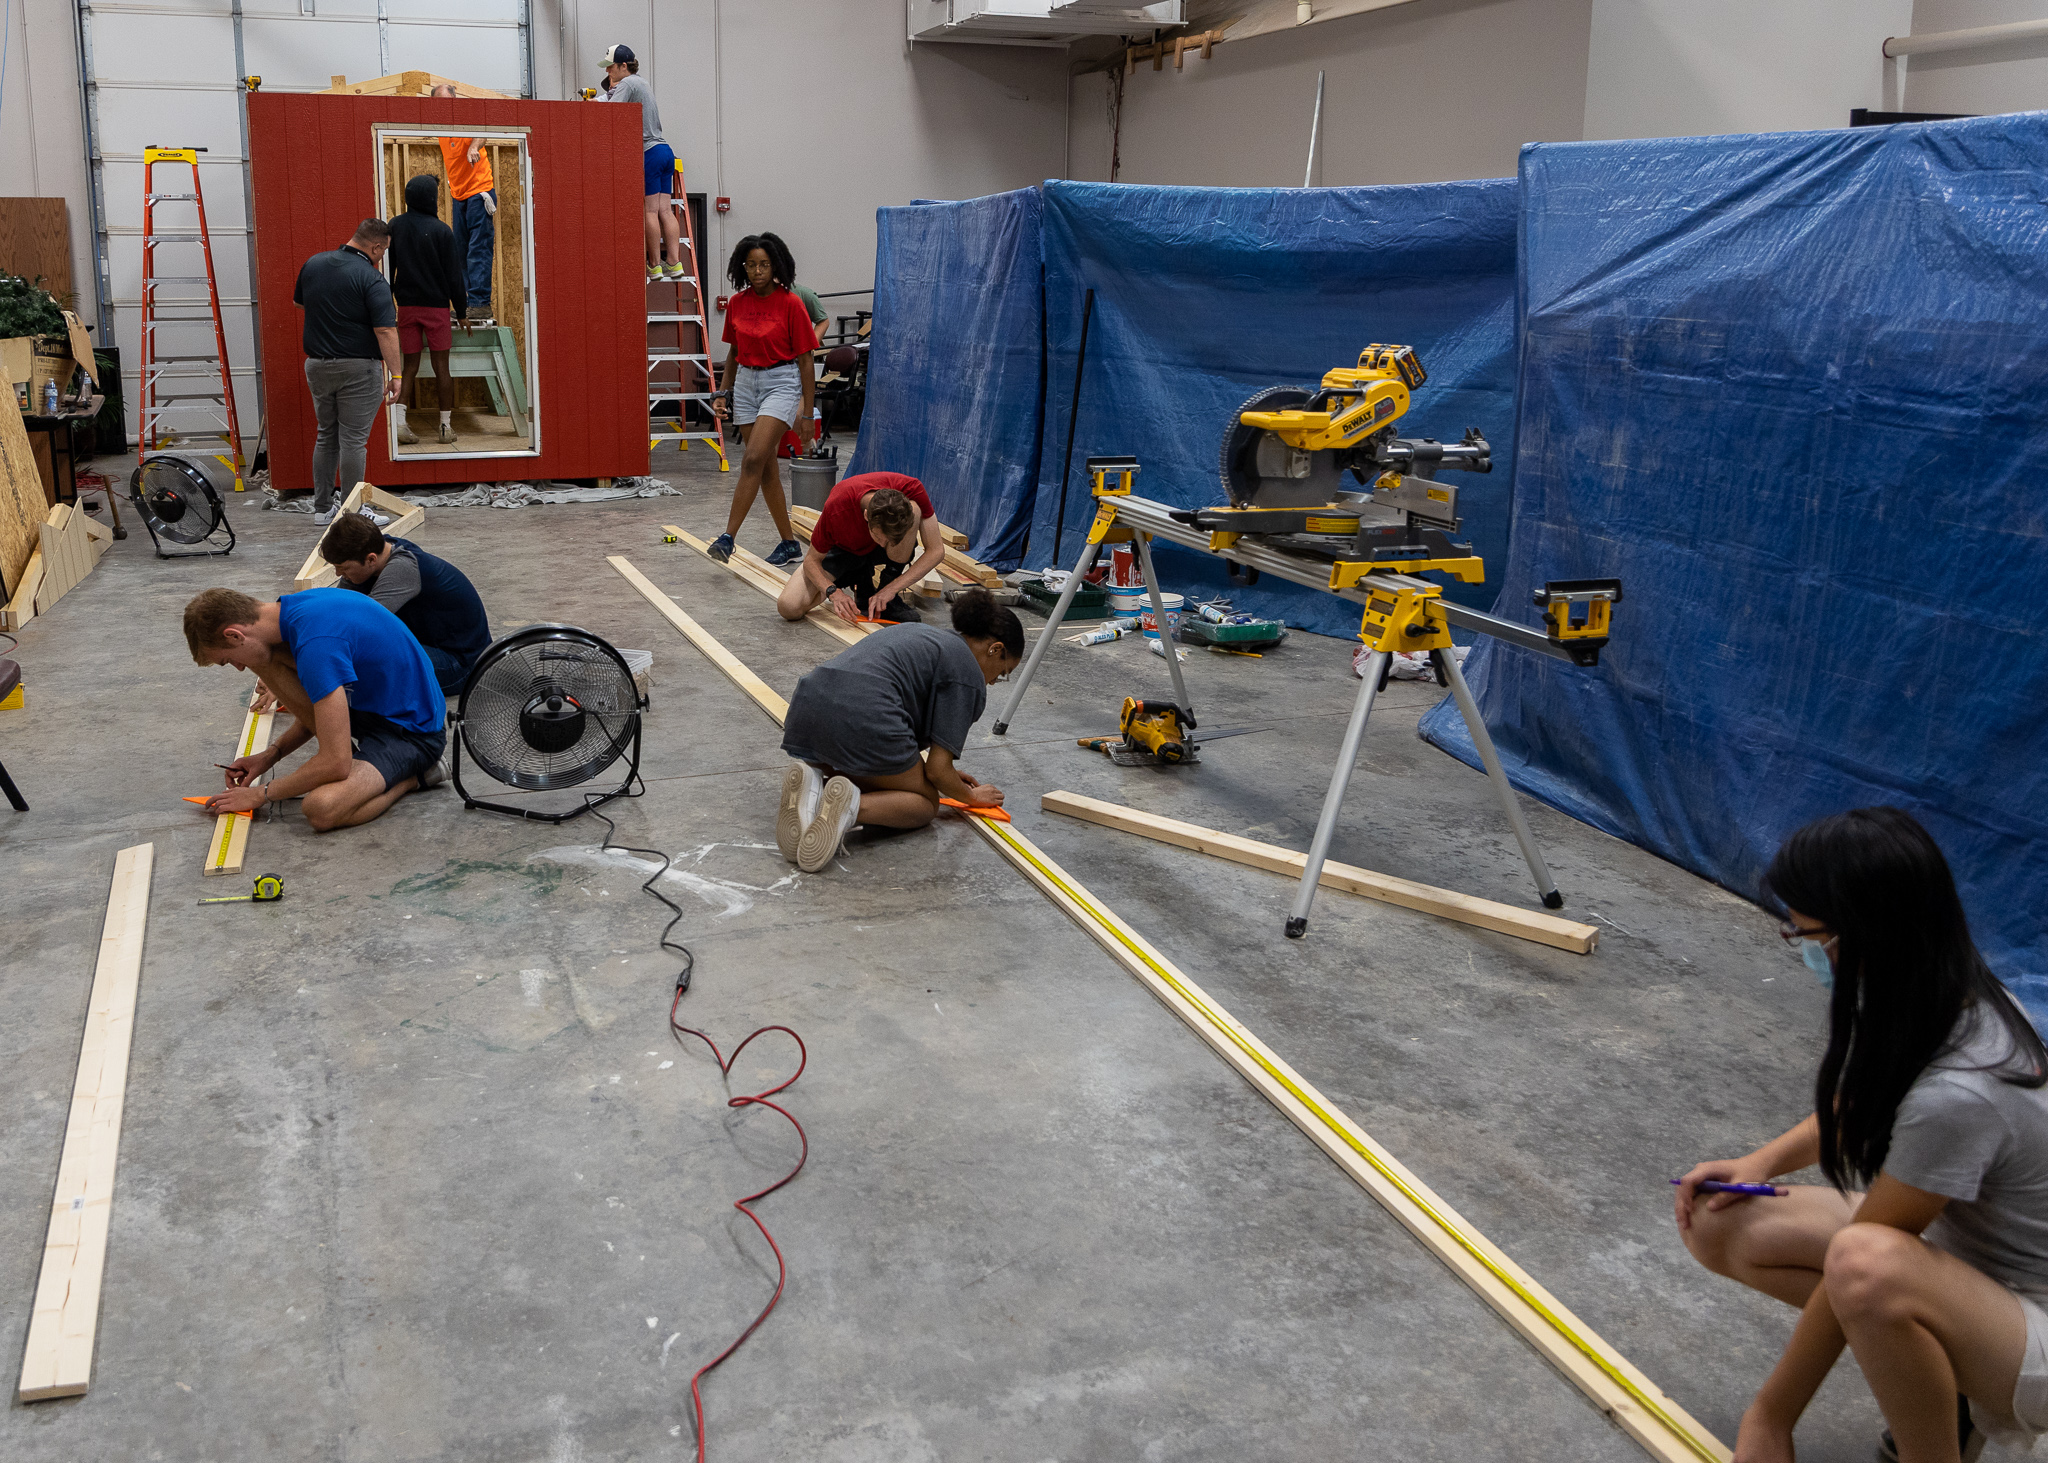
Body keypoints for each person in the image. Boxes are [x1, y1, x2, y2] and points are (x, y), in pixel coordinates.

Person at [1674, 807, 2048, 1463]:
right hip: (1968, 1260)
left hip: (2031, 1328)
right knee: (1720, 1219)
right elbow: (1866, 1097)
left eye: (1808, 933)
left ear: (1866, 933)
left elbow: (1867, 1253)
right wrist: (1756, 1161)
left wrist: (1771, 1415)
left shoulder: (1960, 1093)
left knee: (1865, 1267)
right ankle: (1942, 1386)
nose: (1803, 945)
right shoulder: (1936, 986)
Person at [775, 588, 1023, 873]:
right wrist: (970, 797)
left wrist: (938, 773)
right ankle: (843, 808)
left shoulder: (923, 634)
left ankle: (813, 786)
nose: (992, 682)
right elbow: (938, 772)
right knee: (924, 803)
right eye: (1002, 673)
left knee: (870, 776)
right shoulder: (967, 673)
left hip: (808, 712)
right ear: (996, 649)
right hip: (863, 721)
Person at [184, 587, 447, 831]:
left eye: (228, 660)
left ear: (234, 635)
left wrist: (260, 793)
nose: (238, 667)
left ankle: (417, 777)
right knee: (266, 660)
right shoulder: (291, 612)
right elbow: (324, 709)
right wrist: (269, 756)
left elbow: (337, 764)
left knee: (321, 809)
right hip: (373, 708)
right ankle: (371, 775)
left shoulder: (317, 644)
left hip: (412, 732)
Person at [707, 233, 816, 567]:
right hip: (745, 385)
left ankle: (728, 538)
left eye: (764, 265)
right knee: (765, 467)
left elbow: (807, 361)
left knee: (752, 459)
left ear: (776, 266)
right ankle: (789, 544)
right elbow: (734, 353)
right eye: (752, 265)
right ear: (744, 267)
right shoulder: (738, 303)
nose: (758, 271)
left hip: (780, 383)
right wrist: (722, 393)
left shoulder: (791, 303)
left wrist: (807, 415)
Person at [293, 220, 401, 524]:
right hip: (358, 367)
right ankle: (352, 510)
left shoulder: (313, 264)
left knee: (327, 435)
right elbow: (385, 331)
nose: (382, 256)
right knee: (353, 440)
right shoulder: (371, 278)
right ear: (376, 247)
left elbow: (299, 303)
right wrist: (397, 375)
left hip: (317, 364)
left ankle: (322, 509)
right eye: (383, 251)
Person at [317, 513, 491, 696]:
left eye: (343, 568)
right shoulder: (377, 548)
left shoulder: (403, 568)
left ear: (370, 560)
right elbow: (340, 606)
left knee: (360, 662)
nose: (337, 574)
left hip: (462, 664)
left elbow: (360, 625)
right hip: (431, 644)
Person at [776, 471, 947, 626]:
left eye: (889, 542)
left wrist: (891, 589)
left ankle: (886, 598)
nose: (882, 545)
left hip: (876, 560)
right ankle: (857, 578)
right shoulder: (838, 505)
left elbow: (936, 551)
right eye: (879, 537)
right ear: (866, 515)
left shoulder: (911, 487)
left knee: (915, 510)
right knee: (789, 607)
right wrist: (832, 591)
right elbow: (811, 561)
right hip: (844, 552)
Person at [386, 174, 465, 447]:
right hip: (437, 309)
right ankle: (445, 428)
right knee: (441, 367)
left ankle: (399, 424)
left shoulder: (394, 226)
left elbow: (389, 268)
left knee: (408, 367)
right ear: (432, 197)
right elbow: (454, 277)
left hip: (406, 307)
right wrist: (463, 311)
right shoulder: (443, 230)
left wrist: (391, 299)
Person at [598, 45, 682, 281]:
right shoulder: (642, 83)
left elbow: (611, 114)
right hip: (665, 150)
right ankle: (674, 262)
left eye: (611, 67)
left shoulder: (626, 83)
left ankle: (654, 264)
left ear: (623, 66)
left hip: (649, 152)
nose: (608, 73)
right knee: (666, 210)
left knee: (651, 210)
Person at [430, 85, 496, 321]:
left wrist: (473, 146)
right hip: (459, 195)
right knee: (460, 252)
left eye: (450, 101)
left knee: (478, 248)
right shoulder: (439, 125)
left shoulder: (465, 116)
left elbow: (482, 129)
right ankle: (468, 303)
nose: (447, 107)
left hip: (479, 191)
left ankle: (480, 302)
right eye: (441, 103)